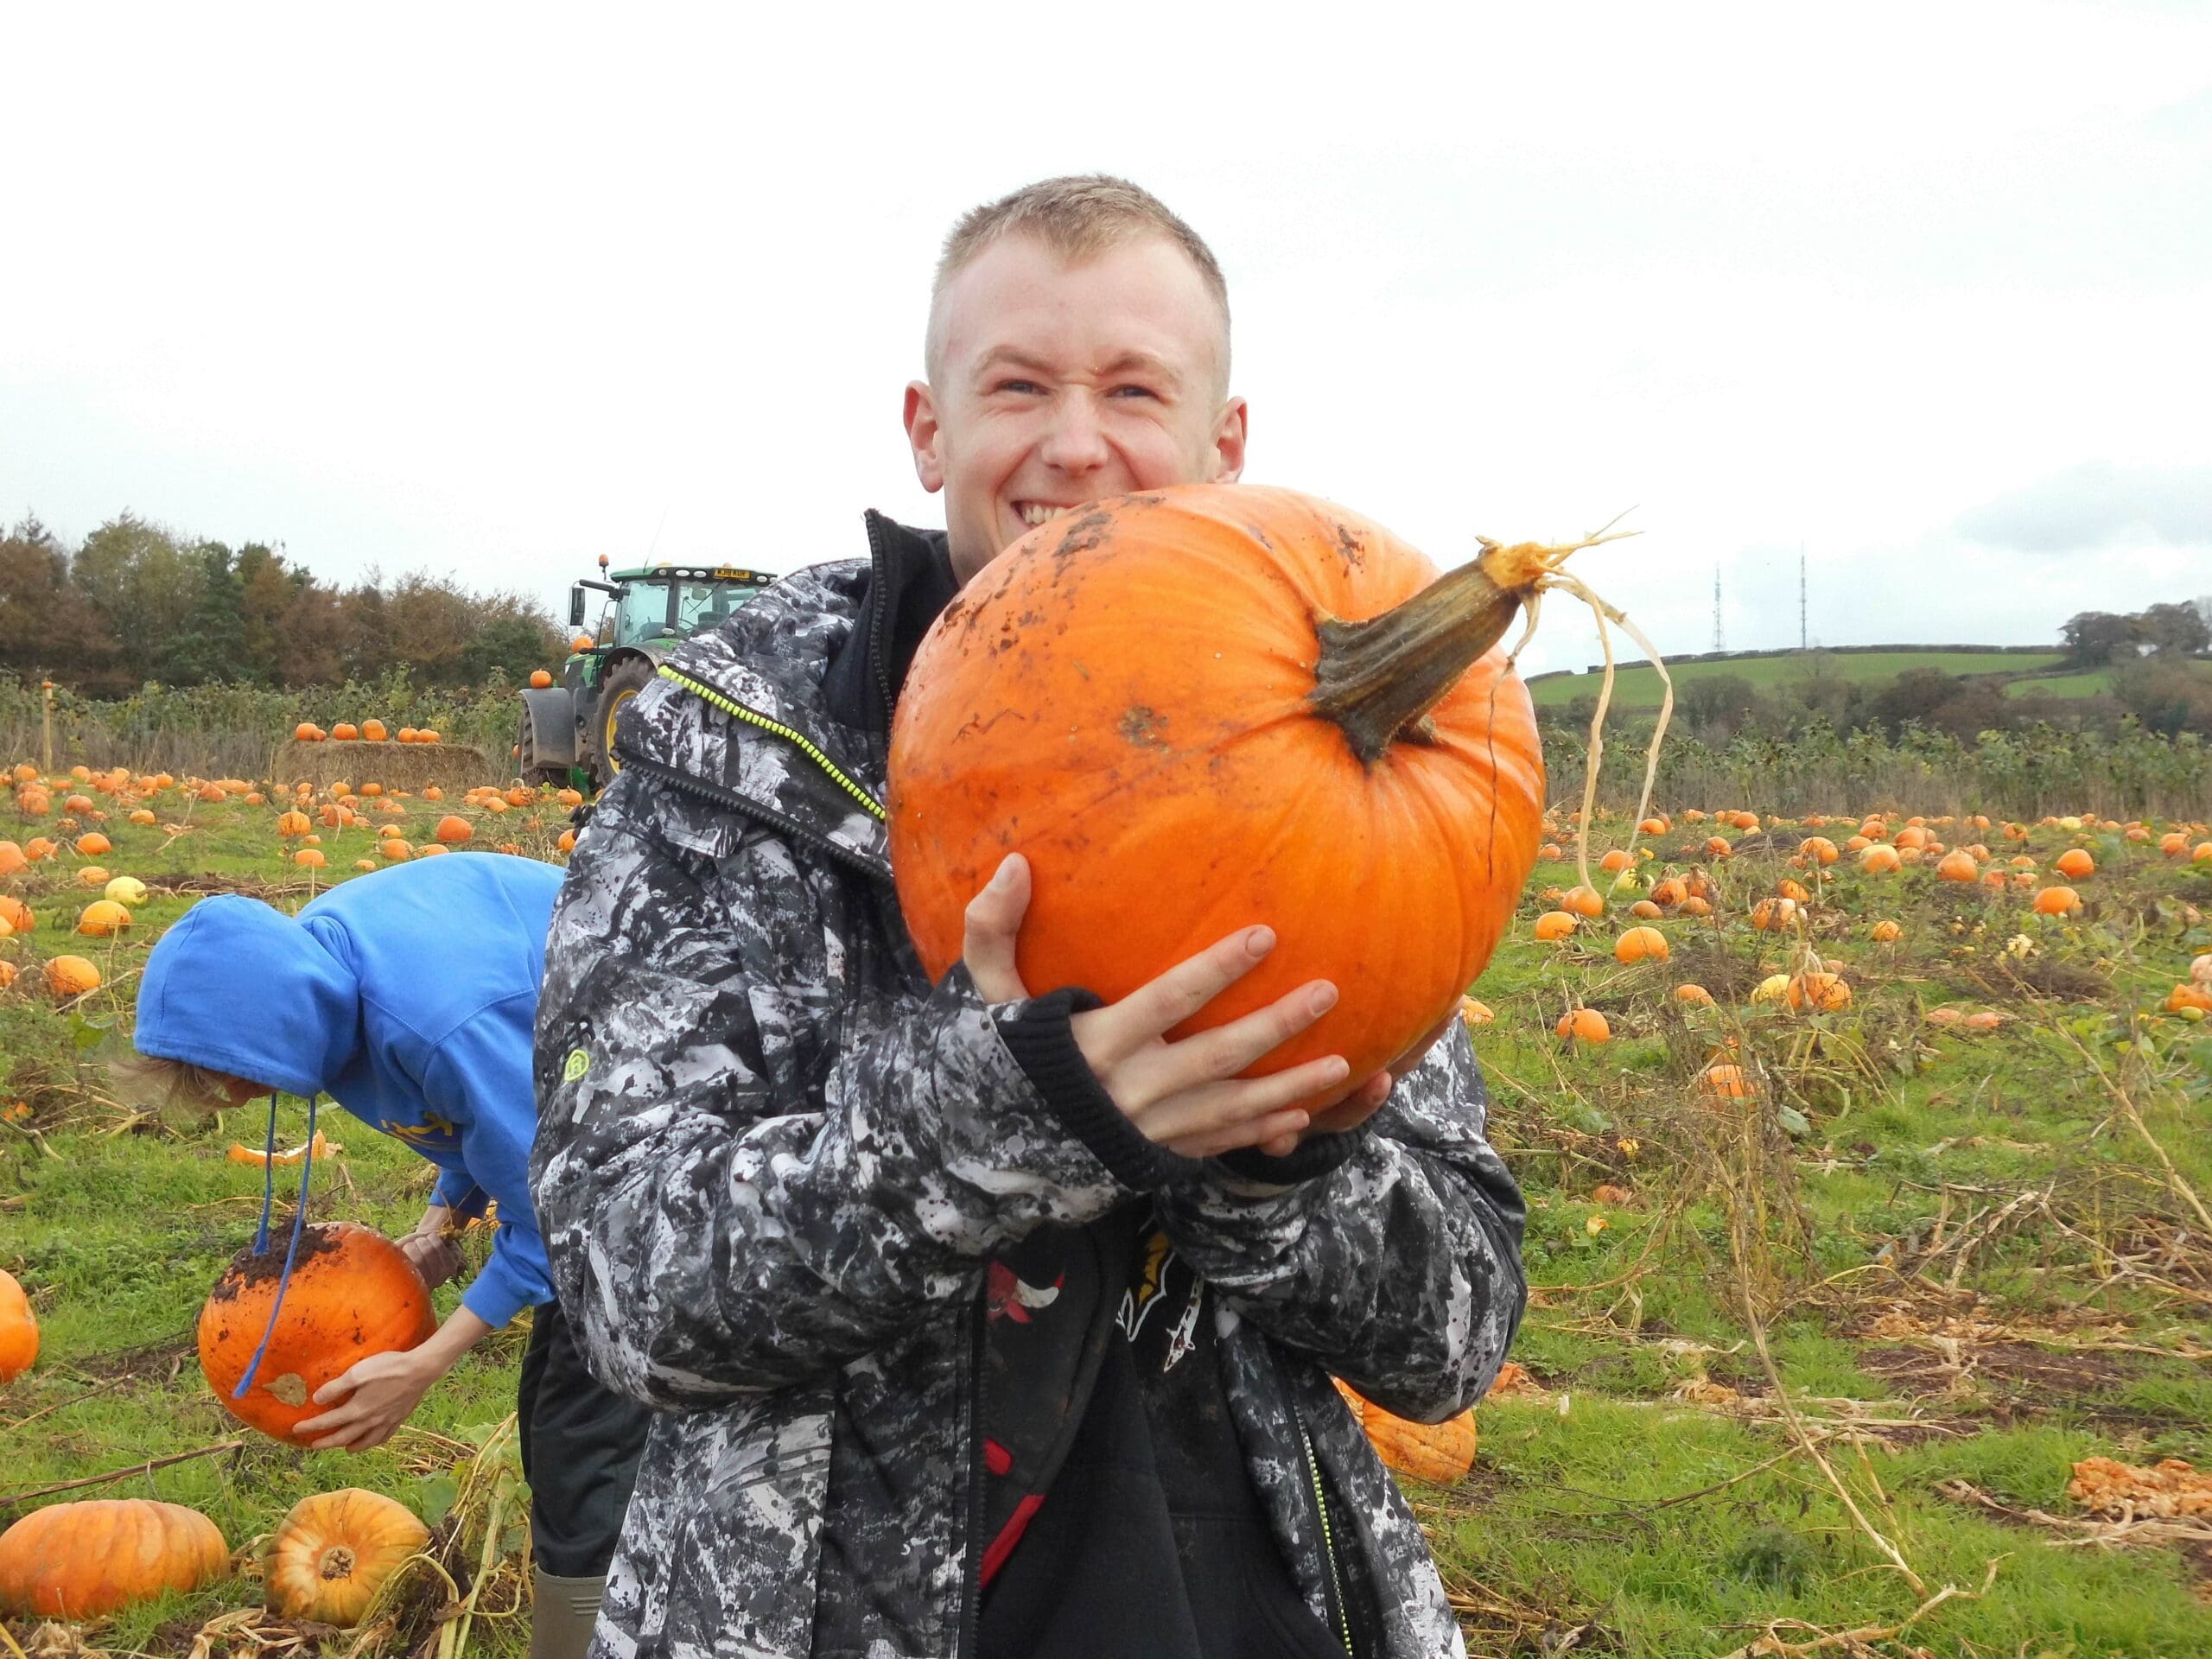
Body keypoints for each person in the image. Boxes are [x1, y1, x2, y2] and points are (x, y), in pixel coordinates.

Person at [531, 175, 1527, 1658]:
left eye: (1134, 388)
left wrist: (1279, 1168)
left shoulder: (1376, 779)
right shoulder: (728, 755)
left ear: (1222, 442)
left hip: (1239, 1599)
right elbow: (630, 1286)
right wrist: (1002, 1117)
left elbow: (1454, 1335)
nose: (1076, 444)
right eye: (1017, 387)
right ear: (930, 427)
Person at [123, 852, 649, 1659]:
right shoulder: (323, 980)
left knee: (586, 1436)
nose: (228, 1100)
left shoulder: (435, 1021)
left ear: (268, 1026)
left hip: (651, 1130)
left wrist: (427, 1362)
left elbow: (557, 1213)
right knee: (560, 1424)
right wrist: (447, 1214)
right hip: (574, 1120)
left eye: (224, 1078)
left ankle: (603, 1634)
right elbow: (481, 1116)